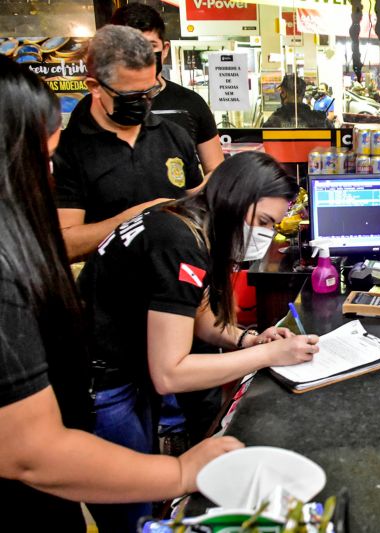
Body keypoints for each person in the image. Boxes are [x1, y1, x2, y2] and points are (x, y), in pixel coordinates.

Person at [0, 55, 242, 531]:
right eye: (40, 157)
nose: (47, 172)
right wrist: (180, 471)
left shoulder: (171, 135)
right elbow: (30, 451)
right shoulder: (8, 273)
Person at [77, 151, 321, 531]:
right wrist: (269, 355)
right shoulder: (177, 240)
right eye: (262, 222)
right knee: (131, 512)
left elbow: (200, 320)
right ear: (235, 198)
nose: (265, 235)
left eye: (273, 226)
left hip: (124, 376)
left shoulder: (189, 221)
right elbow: (170, 374)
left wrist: (249, 340)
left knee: (141, 498)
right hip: (102, 387)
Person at [55, 25, 204, 261]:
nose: (143, 103)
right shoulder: (68, 151)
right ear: (94, 87)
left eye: (150, 92)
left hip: (175, 285)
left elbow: (196, 204)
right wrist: (136, 219)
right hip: (109, 289)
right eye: (131, 97)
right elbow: (65, 245)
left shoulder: (174, 135)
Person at [108, 3, 225, 176]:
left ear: (164, 50)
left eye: (150, 45)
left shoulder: (191, 103)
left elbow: (215, 171)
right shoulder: (95, 106)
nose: (141, 55)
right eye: (130, 46)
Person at [262, 74, 333, 128]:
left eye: (281, 91)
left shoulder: (275, 119)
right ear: (303, 94)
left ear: (283, 93)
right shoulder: (320, 119)